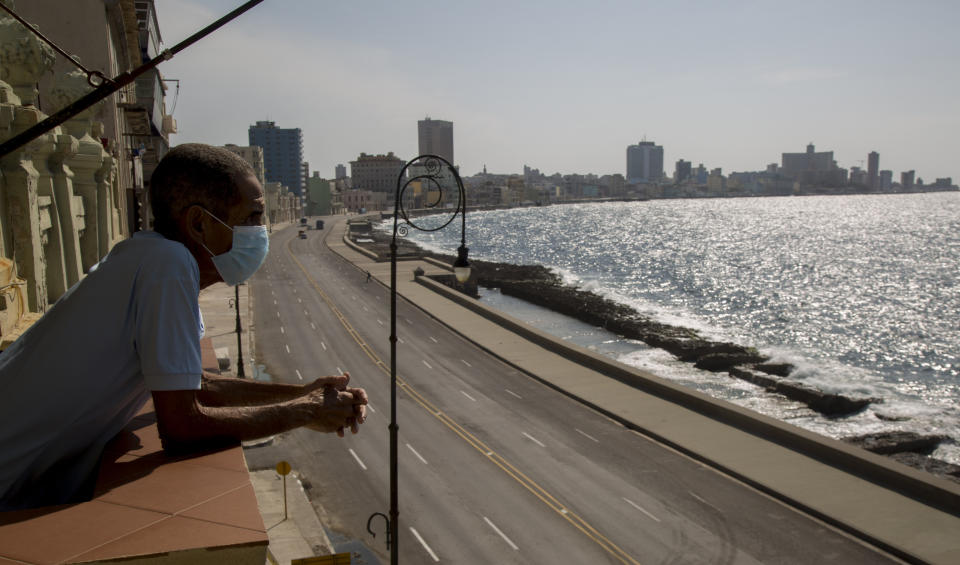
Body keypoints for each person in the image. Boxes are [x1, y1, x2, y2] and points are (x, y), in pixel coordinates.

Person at [0, 144, 367, 510]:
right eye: (253, 217)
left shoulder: (150, 258)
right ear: (198, 223)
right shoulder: (167, 265)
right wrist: (307, 411)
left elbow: (196, 384)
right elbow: (182, 426)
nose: (261, 231)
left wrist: (303, 392)